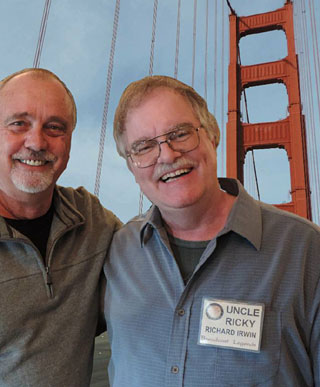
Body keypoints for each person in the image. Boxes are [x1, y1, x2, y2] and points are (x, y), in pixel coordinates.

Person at [103, 75, 320, 386]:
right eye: (144, 147)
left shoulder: (305, 250)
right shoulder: (117, 251)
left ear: (213, 134)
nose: (167, 155)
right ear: (131, 166)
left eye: (179, 134)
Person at [0, 68, 120, 386]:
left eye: (54, 127)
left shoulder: (92, 222)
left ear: (69, 143)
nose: (36, 142)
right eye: (19, 124)